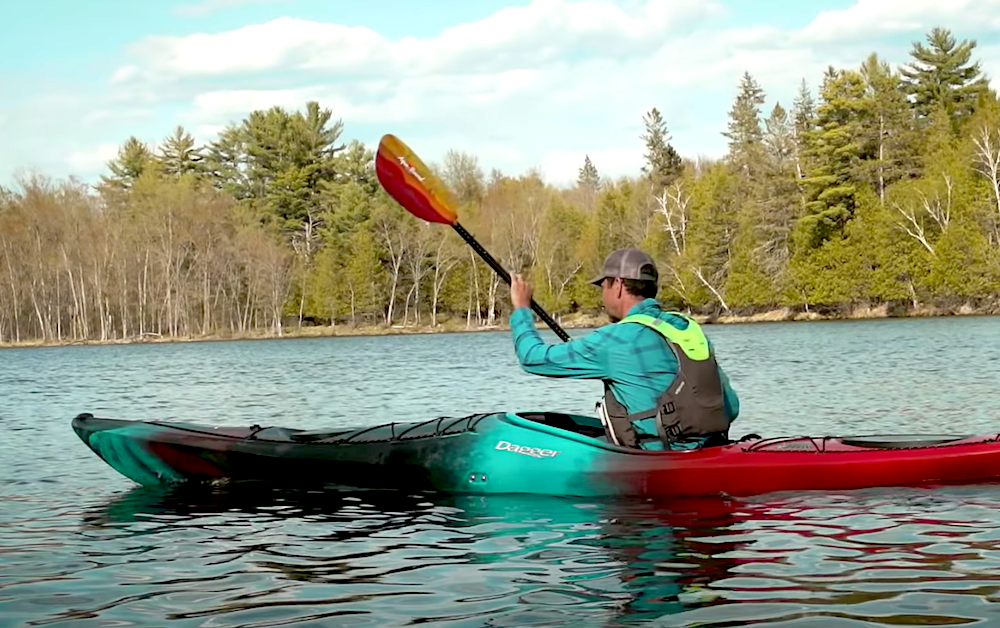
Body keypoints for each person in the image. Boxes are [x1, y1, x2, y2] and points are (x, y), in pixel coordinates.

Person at [508, 248, 740, 450]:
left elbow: (532, 357)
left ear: (618, 285)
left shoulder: (614, 339)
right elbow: (732, 404)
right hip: (713, 445)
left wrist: (521, 310)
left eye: (603, 286)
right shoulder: (685, 325)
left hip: (659, 455)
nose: (603, 295)